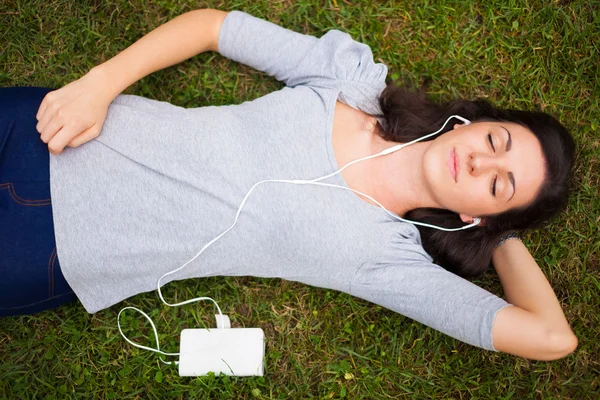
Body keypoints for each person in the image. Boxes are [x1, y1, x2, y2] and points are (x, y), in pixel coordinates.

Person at [0, 9, 577, 360]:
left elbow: (552, 338)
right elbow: (213, 27)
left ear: (477, 217)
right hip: (61, 128)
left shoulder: (387, 262)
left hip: (55, 246)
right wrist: (100, 84)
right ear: (475, 123)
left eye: (500, 186)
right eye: (496, 143)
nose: (480, 164)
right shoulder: (353, 81)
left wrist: (499, 235)